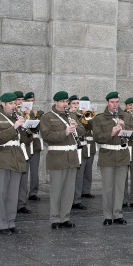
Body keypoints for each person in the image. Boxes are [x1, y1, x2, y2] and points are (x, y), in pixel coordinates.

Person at [40, 91, 84, 230]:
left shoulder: (71, 115)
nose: (65, 104)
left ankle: (65, 217)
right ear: (56, 102)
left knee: (69, 190)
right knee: (57, 189)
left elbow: (83, 130)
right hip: (57, 157)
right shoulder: (47, 117)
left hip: (71, 156)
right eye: (62, 102)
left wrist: (76, 127)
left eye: (66, 101)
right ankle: (55, 218)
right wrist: (64, 133)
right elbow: (46, 136)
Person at [0, 92, 30, 236]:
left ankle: (11, 222)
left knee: (13, 193)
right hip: (2, 157)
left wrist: (26, 127)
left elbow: (25, 140)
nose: (13, 106)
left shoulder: (16, 118)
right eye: (11, 104)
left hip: (17, 157)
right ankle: (2, 224)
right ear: (3, 104)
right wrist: (14, 127)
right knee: (2, 193)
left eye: (14, 104)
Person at [93, 91, 133, 225]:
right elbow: (97, 137)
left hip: (122, 155)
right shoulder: (99, 118)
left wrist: (125, 127)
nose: (115, 105)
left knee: (120, 187)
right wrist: (110, 133)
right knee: (107, 187)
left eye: (117, 102)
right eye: (112, 102)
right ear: (107, 103)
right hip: (107, 155)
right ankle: (107, 215)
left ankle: (118, 214)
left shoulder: (127, 116)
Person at [77, 96, 96, 202]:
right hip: (82, 144)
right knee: (80, 171)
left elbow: (94, 127)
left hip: (90, 145)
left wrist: (91, 116)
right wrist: (83, 115)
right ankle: (78, 194)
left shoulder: (91, 114)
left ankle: (86, 190)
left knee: (88, 170)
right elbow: (81, 129)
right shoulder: (77, 115)